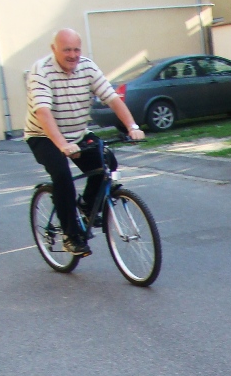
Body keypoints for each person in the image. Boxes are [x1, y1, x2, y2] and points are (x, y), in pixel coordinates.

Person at [25, 28, 145, 257]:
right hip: (43, 135)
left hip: (77, 133)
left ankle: (88, 206)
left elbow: (112, 98)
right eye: (66, 50)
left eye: (76, 49)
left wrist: (132, 126)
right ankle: (71, 236)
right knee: (62, 176)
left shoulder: (87, 67)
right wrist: (62, 145)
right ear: (54, 49)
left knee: (107, 162)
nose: (72, 55)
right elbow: (43, 112)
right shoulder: (41, 71)